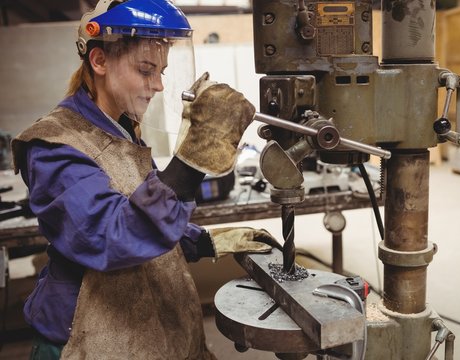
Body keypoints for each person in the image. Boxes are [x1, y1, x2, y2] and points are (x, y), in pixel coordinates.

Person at [11, 0, 280, 359]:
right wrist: (192, 160)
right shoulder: (54, 145)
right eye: (145, 69)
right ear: (100, 61)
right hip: (86, 338)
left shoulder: (120, 127)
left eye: (161, 71)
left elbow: (134, 204)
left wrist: (201, 242)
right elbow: (111, 234)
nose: (157, 85)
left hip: (135, 325)